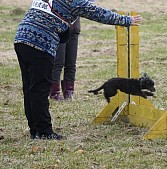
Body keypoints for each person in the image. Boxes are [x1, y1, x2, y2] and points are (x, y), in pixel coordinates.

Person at [14, 0, 142, 140]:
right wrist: (126, 20)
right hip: (40, 43)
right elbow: (98, 13)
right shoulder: (74, 1)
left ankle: (35, 130)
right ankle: (45, 131)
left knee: (30, 88)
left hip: (21, 38)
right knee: (40, 89)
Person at [49, 17, 80, 100]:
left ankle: (69, 92)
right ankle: (54, 93)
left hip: (74, 30)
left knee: (71, 63)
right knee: (58, 62)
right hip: (60, 31)